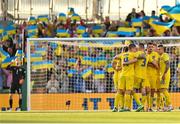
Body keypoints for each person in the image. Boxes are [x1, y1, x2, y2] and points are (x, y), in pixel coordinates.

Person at [119, 44, 137, 112]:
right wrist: (128, 62)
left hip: (123, 74)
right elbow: (136, 59)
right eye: (135, 49)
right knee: (128, 91)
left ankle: (121, 107)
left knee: (121, 91)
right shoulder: (132, 54)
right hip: (129, 75)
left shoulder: (123, 54)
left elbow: (116, 57)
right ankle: (127, 107)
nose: (135, 50)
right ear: (131, 48)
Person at [133, 43, 150, 112]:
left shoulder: (137, 53)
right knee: (143, 91)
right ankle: (142, 107)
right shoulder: (147, 55)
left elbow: (135, 59)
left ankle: (140, 104)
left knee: (132, 90)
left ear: (140, 47)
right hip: (144, 75)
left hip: (137, 74)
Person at [157, 45, 173, 111]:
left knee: (164, 89)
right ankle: (166, 106)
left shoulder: (165, 55)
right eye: (158, 49)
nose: (158, 50)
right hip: (162, 75)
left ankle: (170, 105)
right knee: (161, 90)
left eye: (159, 49)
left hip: (165, 75)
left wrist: (164, 74)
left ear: (163, 49)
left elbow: (168, 64)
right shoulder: (160, 57)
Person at [147, 42, 159, 111]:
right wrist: (151, 63)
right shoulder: (144, 54)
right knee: (146, 91)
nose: (151, 48)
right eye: (149, 47)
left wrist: (148, 63)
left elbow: (156, 66)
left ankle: (150, 107)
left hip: (153, 76)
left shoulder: (155, 54)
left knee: (152, 91)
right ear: (147, 48)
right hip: (145, 75)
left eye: (152, 47)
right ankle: (146, 106)